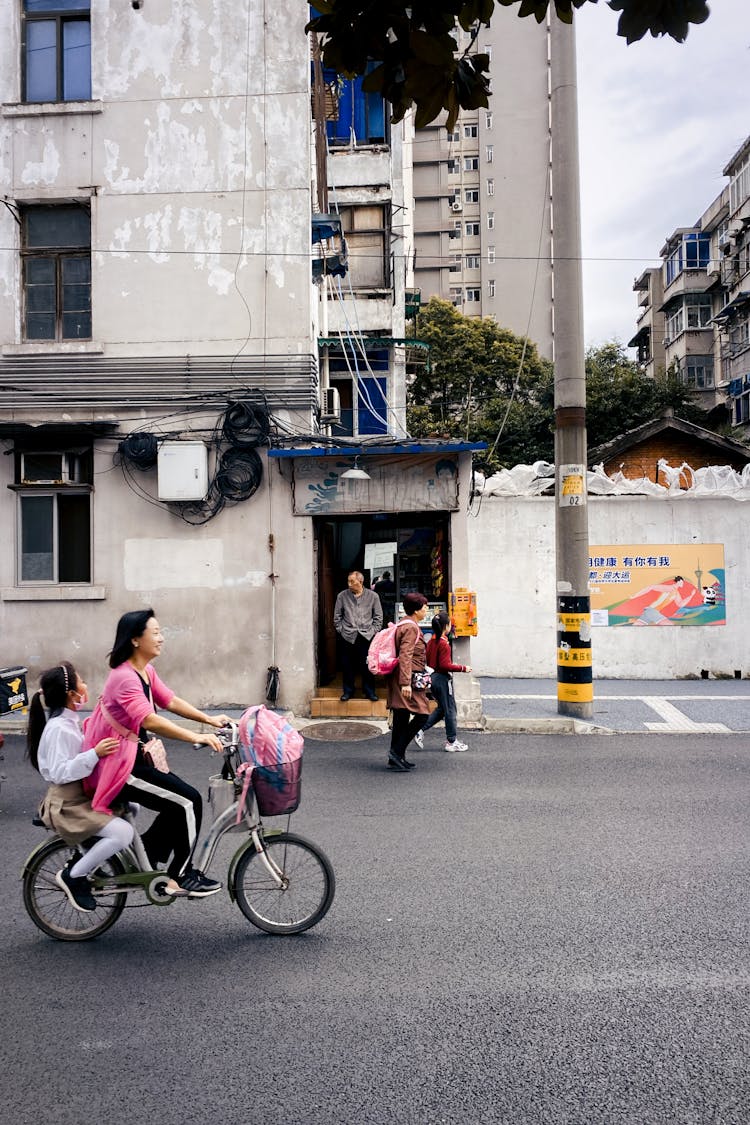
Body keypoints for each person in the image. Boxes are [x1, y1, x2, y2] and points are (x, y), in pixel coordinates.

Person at [83, 609, 230, 899]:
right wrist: (197, 735)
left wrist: (209, 720)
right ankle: (182, 875)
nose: (162, 639)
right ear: (136, 640)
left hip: (132, 758)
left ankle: (149, 852)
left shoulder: (144, 671)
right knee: (188, 801)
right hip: (120, 767)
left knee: (178, 799)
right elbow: (149, 720)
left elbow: (170, 700)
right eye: (156, 633)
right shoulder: (124, 677)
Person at [26, 661, 134, 913]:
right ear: (72, 695)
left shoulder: (68, 722)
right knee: (123, 834)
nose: (85, 685)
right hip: (68, 803)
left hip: (78, 796)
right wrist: (94, 754)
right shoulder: (59, 729)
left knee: (132, 806)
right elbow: (61, 771)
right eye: (81, 681)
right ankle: (74, 876)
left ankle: (88, 857)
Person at [385, 592, 431, 771]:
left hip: (401, 677)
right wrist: (405, 683)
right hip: (407, 679)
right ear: (416, 609)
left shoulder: (403, 623)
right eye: (424, 606)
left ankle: (396, 757)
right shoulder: (411, 628)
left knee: (401, 716)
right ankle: (396, 752)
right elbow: (406, 655)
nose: (426, 609)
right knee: (422, 715)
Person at [414, 611, 472, 752]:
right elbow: (445, 665)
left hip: (433, 679)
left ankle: (420, 729)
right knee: (451, 710)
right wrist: (463, 668)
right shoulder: (444, 644)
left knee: (441, 710)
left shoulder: (431, 642)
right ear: (446, 626)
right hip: (442, 679)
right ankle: (451, 741)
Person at [333, 570, 383, 702]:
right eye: (348, 581)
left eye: (352, 581)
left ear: (360, 582)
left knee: (367, 665)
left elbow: (378, 617)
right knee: (347, 665)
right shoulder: (342, 596)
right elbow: (337, 617)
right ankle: (348, 691)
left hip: (367, 635)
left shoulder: (373, 596)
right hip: (348, 635)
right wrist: (341, 630)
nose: (349, 584)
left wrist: (373, 631)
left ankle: (369, 691)